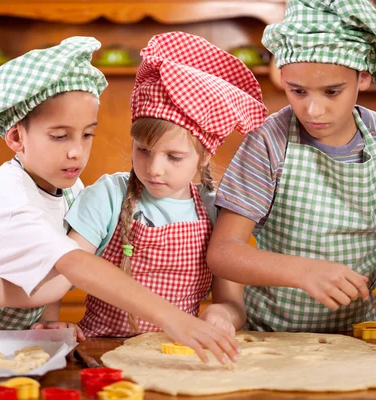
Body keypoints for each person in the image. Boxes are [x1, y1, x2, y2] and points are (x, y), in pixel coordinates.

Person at [0, 36, 240, 364]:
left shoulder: (68, 187)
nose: (76, 151)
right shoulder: (11, 200)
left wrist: (44, 316)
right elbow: (75, 265)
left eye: (87, 134)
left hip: (15, 342)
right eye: (60, 136)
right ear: (16, 136)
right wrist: (172, 318)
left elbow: (52, 279)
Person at [207, 0, 376, 332]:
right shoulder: (268, 143)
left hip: (362, 336)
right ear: (283, 77)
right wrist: (303, 272)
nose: (313, 110)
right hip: (274, 338)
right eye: (298, 91)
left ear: (363, 77)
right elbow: (223, 252)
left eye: (331, 92)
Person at [66, 31, 267, 338]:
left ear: (203, 157)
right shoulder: (108, 196)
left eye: (173, 157)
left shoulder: (215, 211)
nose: (154, 169)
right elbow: (64, 267)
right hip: (101, 347)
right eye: (143, 151)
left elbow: (232, 303)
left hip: (175, 353)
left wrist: (221, 314)